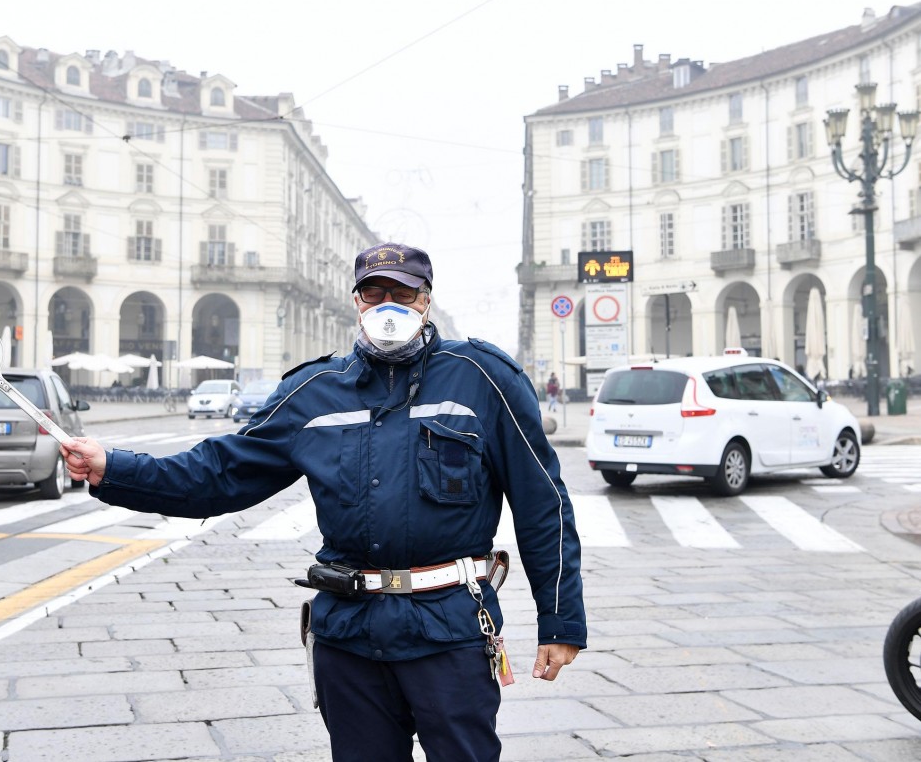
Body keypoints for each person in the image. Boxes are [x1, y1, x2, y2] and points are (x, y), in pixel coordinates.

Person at [62, 243, 586, 762]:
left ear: (426, 299)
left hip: (450, 632)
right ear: (357, 302)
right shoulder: (313, 391)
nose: (389, 304)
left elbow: (543, 501)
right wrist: (114, 467)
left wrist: (560, 620)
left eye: (403, 292)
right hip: (349, 636)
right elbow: (219, 474)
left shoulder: (483, 379)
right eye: (374, 292)